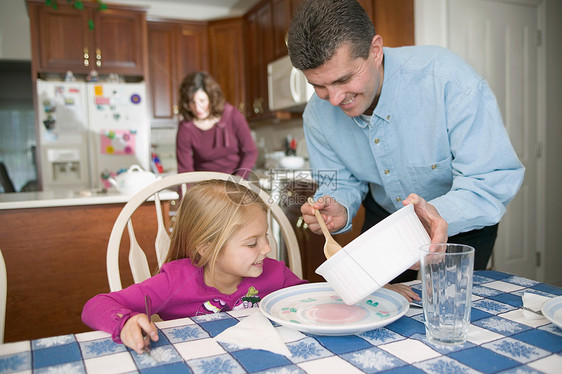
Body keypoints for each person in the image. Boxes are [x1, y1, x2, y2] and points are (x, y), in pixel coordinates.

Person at [289, 0, 524, 282]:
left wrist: (437, 214)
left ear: (375, 51)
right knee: (379, 313)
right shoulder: (317, 115)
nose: (335, 99)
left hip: (459, 225)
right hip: (385, 224)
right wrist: (339, 206)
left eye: (345, 79)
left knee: (452, 316)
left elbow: (489, 179)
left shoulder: (448, 80)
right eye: (319, 86)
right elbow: (341, 182)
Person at [82, 179, 306, 354]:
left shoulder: (275, 274)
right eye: (252, 243)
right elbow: (95, 305)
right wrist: (125, 323)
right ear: (207, 249)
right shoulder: (174, 282)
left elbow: (310, 302)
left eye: (265, 236)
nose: (267, 248)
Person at [176, 72, 258, 179]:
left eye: (202, 100)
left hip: (235, 184)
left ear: (211, 97)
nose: (198, 108)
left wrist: (238, 182)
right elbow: (185, 170)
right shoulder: (185, 127)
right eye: (192, 102)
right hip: (204, 188)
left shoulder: (233, 115)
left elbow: (250, 152)